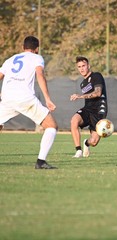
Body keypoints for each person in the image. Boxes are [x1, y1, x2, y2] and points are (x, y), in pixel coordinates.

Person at [0, 36, 58, 169]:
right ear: (37, 49)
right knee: (51, 126)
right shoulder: (37, 58)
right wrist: (47, 99)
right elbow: (40, 75)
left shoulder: (11, 59)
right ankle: (41, 162)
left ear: (23, 47)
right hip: (25, 98)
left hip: (7, 98)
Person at [70, 56, 108, 158]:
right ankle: (78, 151)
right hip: (87, 108)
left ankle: (86, 143)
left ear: (89, 66)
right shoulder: (83, 83)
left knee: (94, 142)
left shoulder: (96, 76)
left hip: (99, 110)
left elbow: (98, 93)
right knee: (74, 121)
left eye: (83, 66)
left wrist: (80, 96)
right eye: (79, 67)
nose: (81, 69)